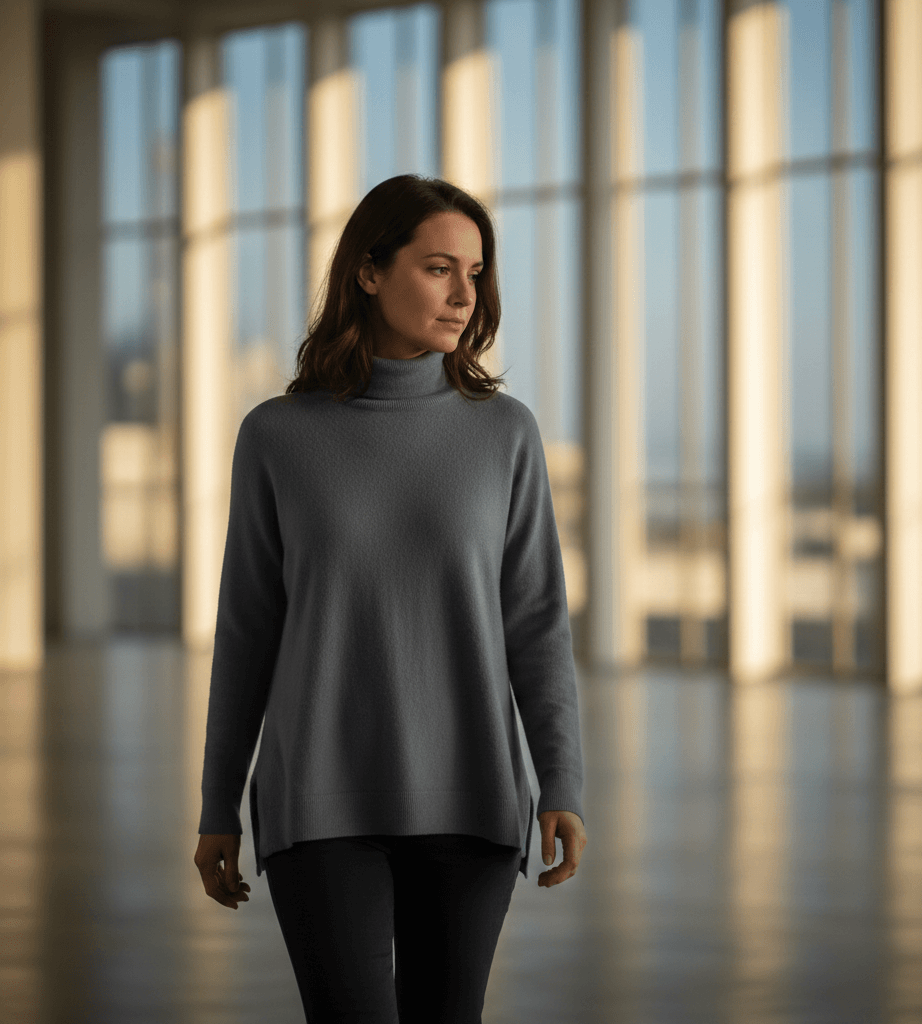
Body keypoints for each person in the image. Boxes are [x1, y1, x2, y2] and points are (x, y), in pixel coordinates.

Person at [193, 174, 587, 1023]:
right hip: (320, 801)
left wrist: (562, 781)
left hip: (473, 800)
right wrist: (217, 804)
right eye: (439, 267)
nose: (464, 294)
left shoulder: (505, 433)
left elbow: (536, 624)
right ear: (368, 272)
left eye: (475, 273)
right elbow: (247, 632)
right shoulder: (277, 436)